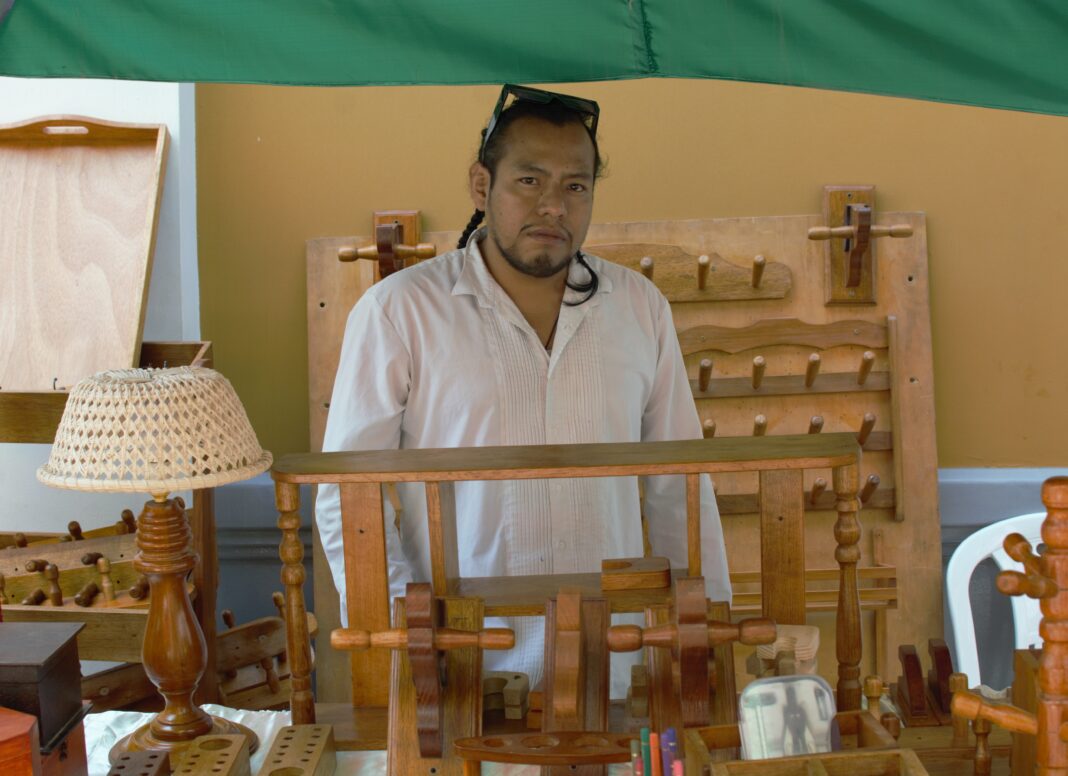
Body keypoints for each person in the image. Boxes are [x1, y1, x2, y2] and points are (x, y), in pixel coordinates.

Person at [315, 84, 730, 692]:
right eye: (529, 181)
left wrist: (707, 626)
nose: (554, 207)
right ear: (482, 187)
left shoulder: (640, 308)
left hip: (612, 659)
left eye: (575, 185)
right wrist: (408, 626)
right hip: (465, 662)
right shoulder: (400, 313)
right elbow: (346, 494)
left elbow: (681, 489)